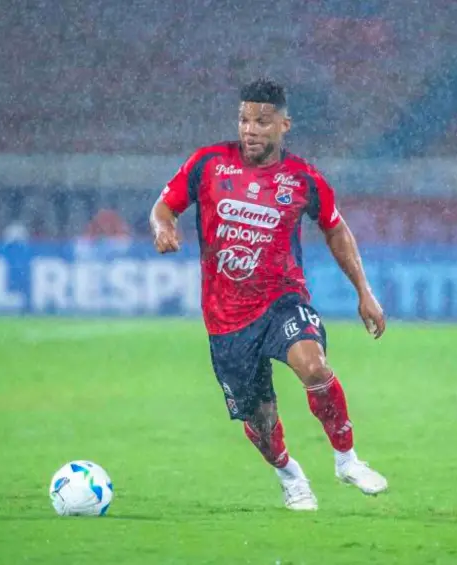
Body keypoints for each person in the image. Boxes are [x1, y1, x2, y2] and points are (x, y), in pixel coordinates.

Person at [149, 78, 388, 511]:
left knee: (314, 367)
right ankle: (290, 475)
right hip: (226, 320)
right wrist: (164, 226)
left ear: (284, 125)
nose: (250, 129)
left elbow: (335, 228)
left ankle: (347, 459)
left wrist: (364, 293)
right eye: (244, 119)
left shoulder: (302, 179)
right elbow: (164, 206)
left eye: (262, 121)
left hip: (282, 301)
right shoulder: (208, 164)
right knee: (261, 421)